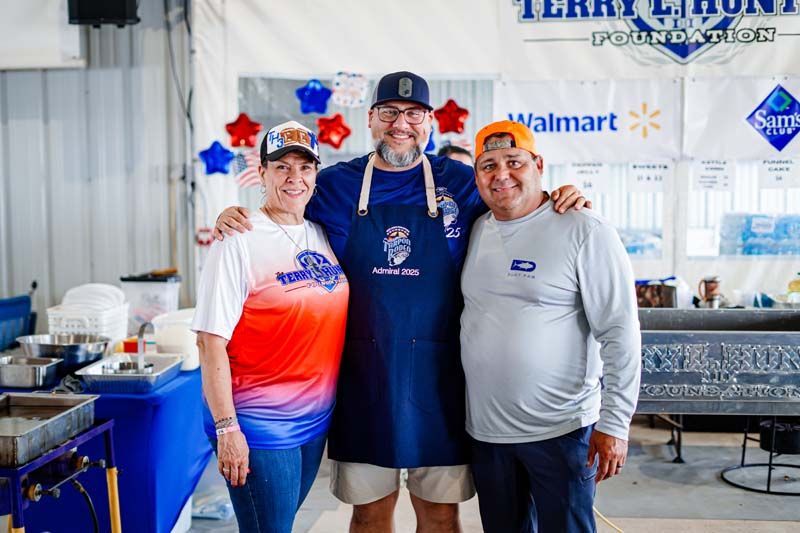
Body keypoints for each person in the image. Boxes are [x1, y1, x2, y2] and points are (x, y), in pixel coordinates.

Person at [213, 71, 590, 532]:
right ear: (370, 119)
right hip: (363, 381)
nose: (401, 124)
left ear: (430, 121)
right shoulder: (333, 184)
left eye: (413, 114)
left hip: (443, 384)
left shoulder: (462, 181)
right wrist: (235, 214)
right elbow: (282, 211)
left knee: (440, 514)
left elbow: (516, 199)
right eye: (389, 112)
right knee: (370, 514)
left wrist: (558, 199)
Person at [460, 120, 641, 532]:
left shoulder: (584, 229)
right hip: (488, 433)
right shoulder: (475, 230)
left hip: (562, 431)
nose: (501, 174)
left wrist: (615, 423)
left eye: (513, 161)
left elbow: (620, 331)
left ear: (538, 163)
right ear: (477, 176)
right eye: (488, 165)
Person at [192, 121, 349, 533]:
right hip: (259, 422)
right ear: (261, 172)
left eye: (304, 167)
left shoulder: (321, 232)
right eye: (282, 167)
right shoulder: (238, 239)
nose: (294, 178)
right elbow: (209, 342)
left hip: (314, 419)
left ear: (317, 174)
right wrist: (228, 429)